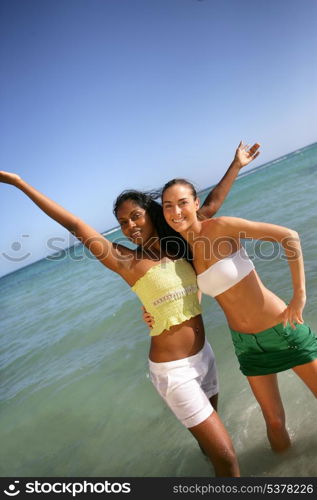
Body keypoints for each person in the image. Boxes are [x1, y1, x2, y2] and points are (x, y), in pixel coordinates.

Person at [0, 143, 259, 477]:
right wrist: (20, 184)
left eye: (135, 216)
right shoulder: (127, 261)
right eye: (123, 222)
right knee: (227, 457)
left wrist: (236, 165)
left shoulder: (179, 244)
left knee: (211, 451)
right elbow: (78, 226)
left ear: (151, 213)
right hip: (173, 372)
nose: (130, 226)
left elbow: (208, 206)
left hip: (204, 359)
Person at [156, 162, 317, 454]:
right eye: (168, 206)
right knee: (275, 423)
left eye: (182, 203)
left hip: (282, 327)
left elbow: (289, 236)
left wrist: (299, 296)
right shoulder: (183, 254)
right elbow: (191, 299)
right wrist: (158, 314)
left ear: (195, 204)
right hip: (246, 344)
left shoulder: (220, 227)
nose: (175, 211)